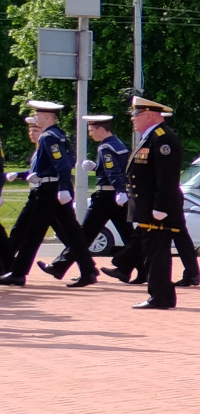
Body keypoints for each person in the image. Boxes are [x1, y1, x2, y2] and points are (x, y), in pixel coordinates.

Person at [1, 99, 92, 286]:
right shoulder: (58, 135)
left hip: (49, 190)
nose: (35, 118)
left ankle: (18, 273)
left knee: (33, 233)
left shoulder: (48, 137)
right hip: (53, 188)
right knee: (72, 233)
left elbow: (63, 164)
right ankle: (88, 270)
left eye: (38, 115)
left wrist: (63, 187)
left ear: (47, 116)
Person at [122, 97, 190, 308]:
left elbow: (167, 177)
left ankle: (159, 297)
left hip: (157, 209)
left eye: (137, 114)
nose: (133, 119)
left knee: (157, 254)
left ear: (150, 115)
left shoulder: (162, 139)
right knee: (154, 253)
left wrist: (160, 206)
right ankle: (163, 295)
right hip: (147, 207)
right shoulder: (151, 137)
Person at [43, 114, 122, 285]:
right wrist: (97, 168)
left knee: (85, 233)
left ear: (101, 129)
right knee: (129, 234)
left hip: (106, 195)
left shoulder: (106, 147)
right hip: (114, 195)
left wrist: (120, 188)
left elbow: (114, 172)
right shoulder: (118, 144)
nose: (90, 134)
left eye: (92, 130)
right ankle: (138, 268)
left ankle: (64, 267)